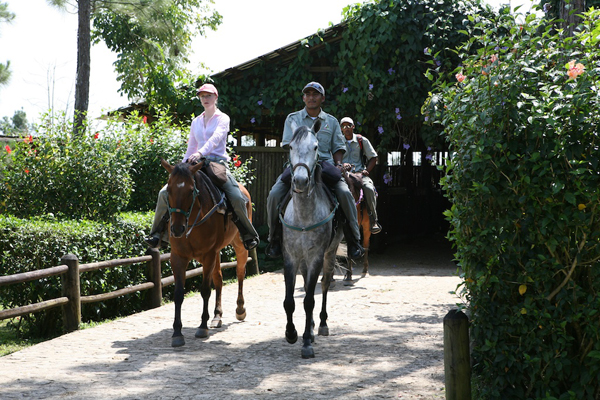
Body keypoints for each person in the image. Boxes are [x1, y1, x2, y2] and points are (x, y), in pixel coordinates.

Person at [144, 83, 259, 251]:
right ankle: (157, 234)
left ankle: (248, 234)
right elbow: (191, 147)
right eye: (202, 96)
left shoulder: (223, 118)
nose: (205, 99)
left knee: (236, 196)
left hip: (216, 163)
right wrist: (182, 167)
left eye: (208, 96)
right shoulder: (196, 121)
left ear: (216, 97)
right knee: (164, 192)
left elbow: (216, 139)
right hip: (194, 164)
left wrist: (200, 153)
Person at [265, 81, 365, 260]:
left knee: (344, 193)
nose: (311, 97)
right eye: (308, 94)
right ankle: (274, 239)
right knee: (274, 194)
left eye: (315, 94)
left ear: (322, 98)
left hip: (324, 164)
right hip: (298, 165)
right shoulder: (292, 119)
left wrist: (339, 164)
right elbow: (288, 144)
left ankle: (354, 241)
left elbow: (338, 148)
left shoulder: (332, 122)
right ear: (303, 98)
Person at [340, 117, 382, 234]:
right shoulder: (337, 141)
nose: (346, 128)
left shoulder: (361, 140)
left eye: (349, 125)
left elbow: (373, 158)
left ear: (353, 126)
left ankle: (373, 219)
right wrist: (342, 165)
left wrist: (367, 170)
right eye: (343, 126)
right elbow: (333, 158)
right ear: (341, 129)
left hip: (359, 174)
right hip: (343, 174)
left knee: (369, 188)